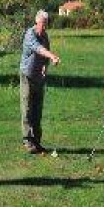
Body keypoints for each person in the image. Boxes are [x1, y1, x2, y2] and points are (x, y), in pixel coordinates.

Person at [19, 9, 60, 154]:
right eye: (43, 23)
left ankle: (36, 141)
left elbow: (44, 55)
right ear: (36, 21)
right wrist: (52, 56)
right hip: (27, 76)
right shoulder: (30, 34)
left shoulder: (45, 36)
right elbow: (39, 49)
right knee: (27, 108)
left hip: (38, 77)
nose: (44, 26)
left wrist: (45, 66)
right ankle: (27, 140)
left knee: (37, 109)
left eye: (46, 24)